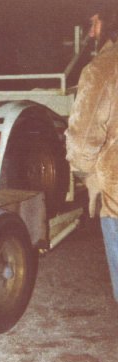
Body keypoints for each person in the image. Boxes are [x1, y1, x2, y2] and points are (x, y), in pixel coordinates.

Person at [66, 4, 118, 302]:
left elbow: (84, 134)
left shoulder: (102, 68)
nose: (90, 32)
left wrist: (85, 175)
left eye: (94, 23)